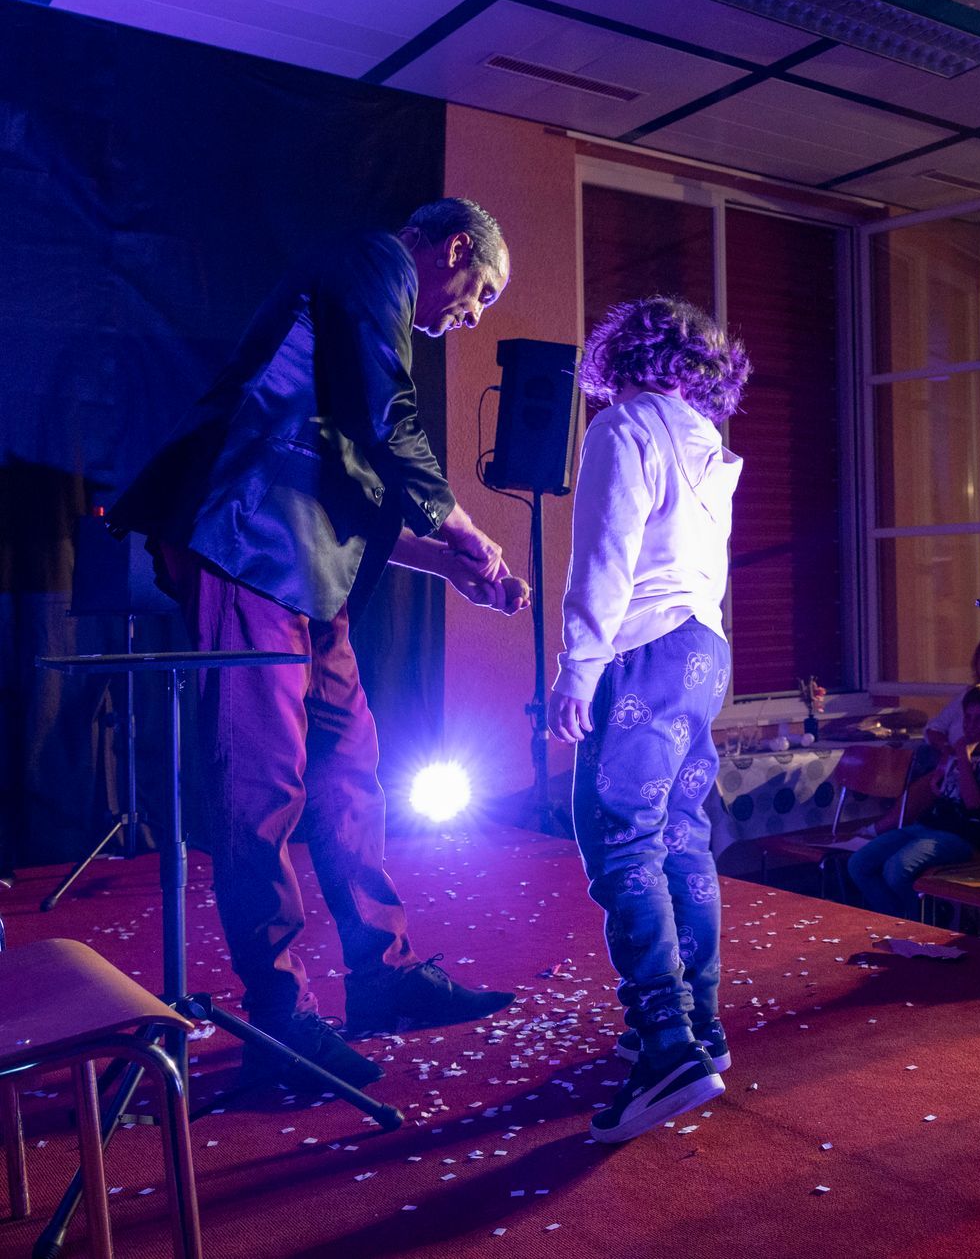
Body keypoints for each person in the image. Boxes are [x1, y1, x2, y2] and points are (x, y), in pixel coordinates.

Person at [108, 198, 526, 1087]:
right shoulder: (375, 263)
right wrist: (464, 529)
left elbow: (348, 475)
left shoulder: (361, 313)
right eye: (480, 291)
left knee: (351, 771)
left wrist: (445, 566)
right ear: (454, 249)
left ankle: (382, 978)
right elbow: (389, 420)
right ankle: (281, 1019)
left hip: (309, 572)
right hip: (248, 548)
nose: (471, 315)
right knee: (263, 787)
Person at [546, 296, 749, 1143]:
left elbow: (606, 555)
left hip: (644, 649)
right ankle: (699, 1026)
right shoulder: (708, 444)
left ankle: (665, 1046)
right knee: (680, 836)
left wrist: (575, 670)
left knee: (618, 832)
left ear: (621, 356)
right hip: (704, 652)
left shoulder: (624, 426)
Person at [849, 684, 980, 919]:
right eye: (967, 718)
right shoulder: (958, 753)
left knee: (896, 869)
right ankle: (902, 919)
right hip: (928, 826)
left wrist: (963, 759)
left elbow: (972, 803)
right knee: (859, 864)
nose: (970, 725)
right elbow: (939, 790)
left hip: (963, 836)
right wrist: (942, 771)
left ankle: (927, 920)